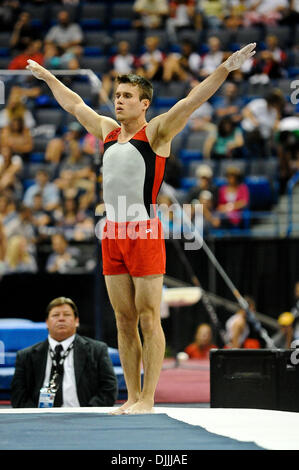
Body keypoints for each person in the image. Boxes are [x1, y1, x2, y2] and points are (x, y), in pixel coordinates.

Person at [26, 42, 256, 414]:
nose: (119, 101)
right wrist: (49, 77)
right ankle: (131, 396)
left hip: (144, 232)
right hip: (112, 233)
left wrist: (226, 68)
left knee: (148, 316)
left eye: (127, 96)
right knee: (123, 318)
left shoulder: (158, 133)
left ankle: (148, 398)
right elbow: (73, 104)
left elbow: (192, 101)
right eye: (117, 95)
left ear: (144, 103)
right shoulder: (106, 130)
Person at [11, 297, 118, 408]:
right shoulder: (26, 356)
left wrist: (87, 415)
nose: (61, 319)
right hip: (38, 420)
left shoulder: (97, 350)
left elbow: (109, 389)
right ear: (47, 322)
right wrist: (36, 417)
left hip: (85, 419)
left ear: (77, 321)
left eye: (67, 315)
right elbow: (18, 396)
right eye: (55, 315)